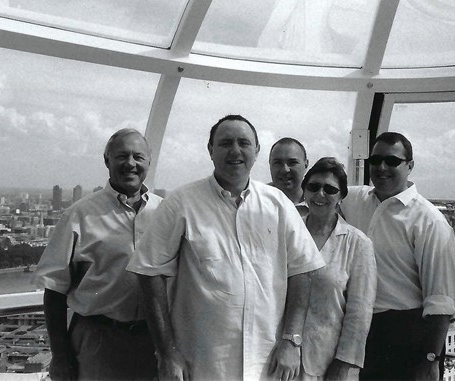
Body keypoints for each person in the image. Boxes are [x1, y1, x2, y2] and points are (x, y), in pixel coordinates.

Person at [126, 115, 325, 381]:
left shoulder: (278, 205)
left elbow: (302, 271)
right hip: (203, 364)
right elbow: (149, 274)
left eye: (244, 143)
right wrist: (168, 353)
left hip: (266, 363)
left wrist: (291, 340)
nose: (235, 151)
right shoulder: (181, 204)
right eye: (225, 143)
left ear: (256, 151)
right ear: (210, 151)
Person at [34, 128, 162, 381]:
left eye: (138, 156)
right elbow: (54, 291)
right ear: (107, 161)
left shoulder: (166, 213)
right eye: (121, 156)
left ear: (149, 161)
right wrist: (60, 357)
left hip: (154, 343)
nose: (130, 164)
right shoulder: (79, 215)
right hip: (98, 340)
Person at [340, 132, 455, 381]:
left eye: (392, 161)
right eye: (375, 160)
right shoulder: (354, 199)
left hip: (406, 335)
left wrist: (431, 359)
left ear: (410, 166)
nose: (381, 167)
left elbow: (441, 299)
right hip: (361, 330)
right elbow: (317, 192)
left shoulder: (429, 221)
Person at [299, 157, 377, 381]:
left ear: (341, 196)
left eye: (330, 189)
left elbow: (360, 314)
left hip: (329, 363)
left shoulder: (358, 244)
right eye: (313, 187)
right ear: (304, 190)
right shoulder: (290, 233)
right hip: (284, 360)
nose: (320, 194)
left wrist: (344, 365)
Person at [269, 137, 309, 216]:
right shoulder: (255, 202)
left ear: (306, 164)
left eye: (292, 162)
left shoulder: (320, 203)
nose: (285, 170)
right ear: (270, 164)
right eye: (278, 163)